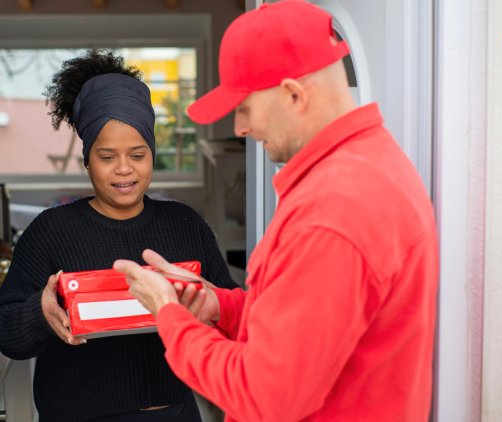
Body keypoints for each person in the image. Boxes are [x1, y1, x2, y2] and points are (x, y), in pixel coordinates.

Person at [113, 1, 440, 421]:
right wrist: (220, 306)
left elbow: (264, 396)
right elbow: (313, 329)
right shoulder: (368, 166)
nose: (239, 129)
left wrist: (170, 315)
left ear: (293, 95)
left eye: (245, 108)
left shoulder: (335, 210)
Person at [0, 49, 237, 422]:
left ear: (152, 153)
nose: (123, 170)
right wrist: (41, 310)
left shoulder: (184, 224)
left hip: (177, 413)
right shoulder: (51, 231)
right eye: (106, 157)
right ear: (87, 158)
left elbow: (230, 313)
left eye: (137, 155)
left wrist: (206, 306)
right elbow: (3, 329)